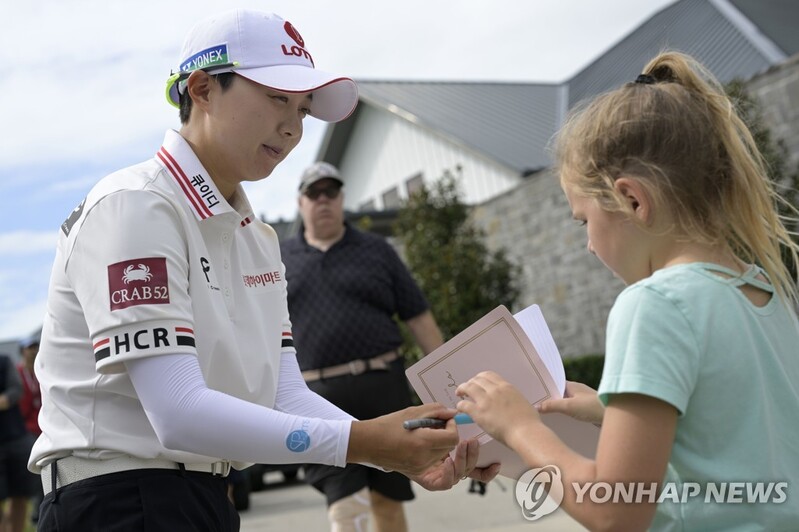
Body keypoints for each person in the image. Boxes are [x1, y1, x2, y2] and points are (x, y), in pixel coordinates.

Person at [28, 9, 497, 532]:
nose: (293, 127)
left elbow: (283, 393)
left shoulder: (258, 237)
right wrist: (366, 443)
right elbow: (177, 410)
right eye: (277, 98)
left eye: (302, 108)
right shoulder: (135, 205)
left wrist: (396, 448)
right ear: (203, 89)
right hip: (113, 499)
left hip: (203, 493)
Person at [455, 51, 799, 531]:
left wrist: (519, 429)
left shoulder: (655, 305)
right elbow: (735, 426)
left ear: (633, 199)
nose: (590, 246)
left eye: (585, 222)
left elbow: (615, 511)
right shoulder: (762, 287)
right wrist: (610, 409)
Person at [281, 161, 446, 532]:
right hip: (318, 399)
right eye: (314, 193)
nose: (323, 200)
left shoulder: (377, 250)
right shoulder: (279, 260)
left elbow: (418, 316)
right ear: (300, 202)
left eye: (331, 192)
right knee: (345, 507)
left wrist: (447, 383)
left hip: (382, 388)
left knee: (387, 501)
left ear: (341, 199)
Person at [1, 353, 37, 532]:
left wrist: (5, 400)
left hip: (16, 438)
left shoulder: (3, 360)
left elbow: (16, 390)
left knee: (20, 495)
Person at [16, 336, 43, 524]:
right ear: (22, 351)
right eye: (29, 347)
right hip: (25, 430)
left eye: (35, 346)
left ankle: (39, 511)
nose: (33, 350)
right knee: (35, 472)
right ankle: (36, 511)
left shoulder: (41, 369)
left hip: (43, 427)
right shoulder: (17, 372)